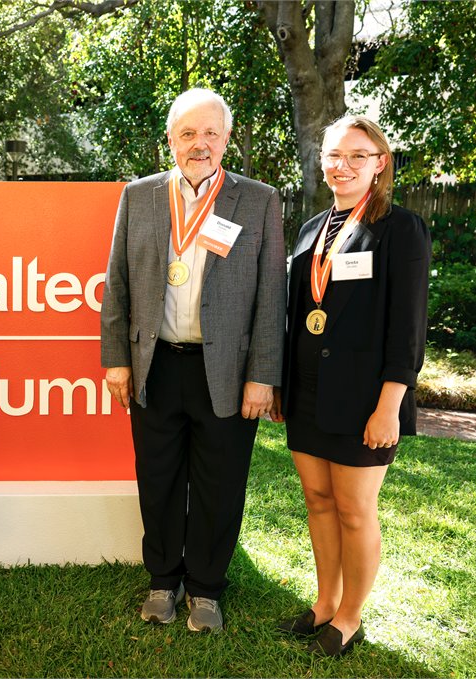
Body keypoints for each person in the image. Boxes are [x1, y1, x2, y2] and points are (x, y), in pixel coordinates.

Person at [100, 88, 286, 633]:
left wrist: (263, 376)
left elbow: (271, 294)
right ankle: (163, 579)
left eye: (209, 133)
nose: (199, 144)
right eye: (187, 133)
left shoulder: (258, 200)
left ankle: (205, 588)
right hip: (155, 365)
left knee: (219, 485)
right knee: (157, 479)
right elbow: (117, 282)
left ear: (225, 139)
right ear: (171, 140)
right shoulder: (139, 196)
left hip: (226, 371)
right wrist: (116, 359)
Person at [269, 115, 430, 656]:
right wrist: (282, 386)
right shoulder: (311, 229)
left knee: (354, 510)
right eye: (334, 155)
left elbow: (407, 328)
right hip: (308, 391)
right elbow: (299, 314)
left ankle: (350, 618)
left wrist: (390, 406)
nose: (343, 165)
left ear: (380, 163)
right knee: (318, 501)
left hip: (366, 398)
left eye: (357, 155)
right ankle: (324, 603)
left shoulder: (400, 229)